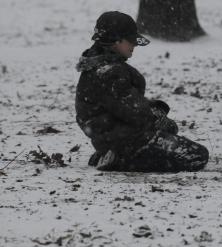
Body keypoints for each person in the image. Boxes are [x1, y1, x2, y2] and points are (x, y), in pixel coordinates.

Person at [75, 11, 209, 172]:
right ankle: (121, 160)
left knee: (169, 129)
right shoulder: (110, 73)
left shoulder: (97, 68)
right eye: (130, 40)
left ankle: (110, 151)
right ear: (116, 41)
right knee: (197, 155)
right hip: (129, 139)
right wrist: (156, 114)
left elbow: (120, 107)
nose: (135, 45)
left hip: (111, 136)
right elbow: (136, 114)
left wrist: (155, 114)